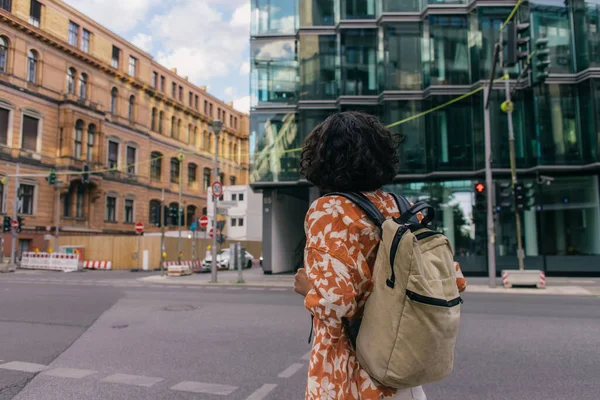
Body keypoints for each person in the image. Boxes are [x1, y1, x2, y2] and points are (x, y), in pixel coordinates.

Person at [294, 111, 466, 400]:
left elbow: (336, 304)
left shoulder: (328, 210)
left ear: (321, 158)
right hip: (401, 369)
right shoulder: (404, 207)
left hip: (353, 375)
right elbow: (455, 280)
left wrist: (309, 289)